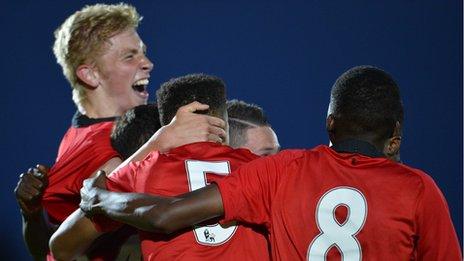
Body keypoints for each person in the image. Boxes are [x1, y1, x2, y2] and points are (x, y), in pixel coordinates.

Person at [79, 66, 462, 260]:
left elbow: (165, 215)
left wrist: (101, 197)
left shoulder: (284, 170)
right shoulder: (418, 189)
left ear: (330, 121)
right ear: (394, 134)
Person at [14, 4, 225, 260]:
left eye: (143, 53)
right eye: (130, 56)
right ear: (90, 74)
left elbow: (47, 248)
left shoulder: (81, 131)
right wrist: (163, 142)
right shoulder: (97, 145)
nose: (147, 63)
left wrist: (31, 216)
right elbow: (56, 252)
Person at [50, 74, 269, 261]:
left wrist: (155, 144)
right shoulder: (262, 169)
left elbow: (61, 247)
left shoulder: (140, 170)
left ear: (167, 125)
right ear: (225, 122)